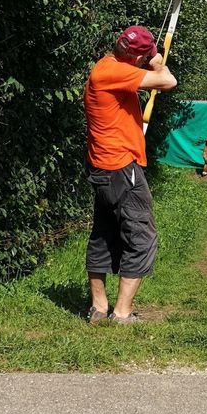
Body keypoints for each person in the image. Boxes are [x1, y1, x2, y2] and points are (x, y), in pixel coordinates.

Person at [83, 24, 177, 324]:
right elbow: (168, 81)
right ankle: (121, 314)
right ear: (136, 59)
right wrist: (157, 59)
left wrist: (150, 56)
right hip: (120, 169)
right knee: (142, 236)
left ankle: (99, 309)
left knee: (103, 235)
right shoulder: (116, 73)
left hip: (102, 167)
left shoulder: (107, 64)